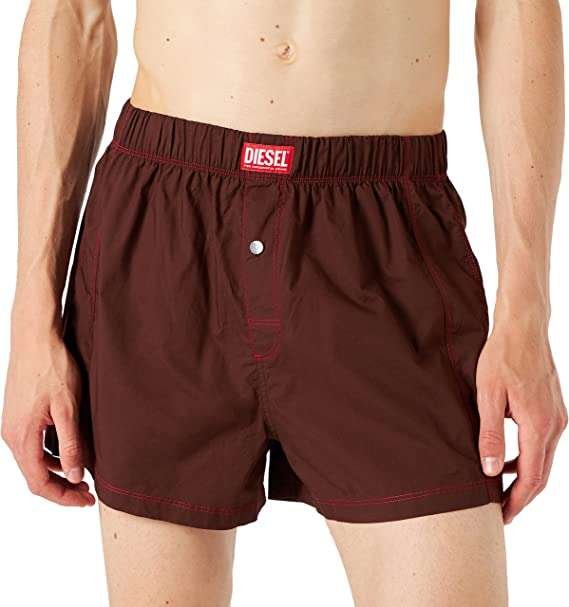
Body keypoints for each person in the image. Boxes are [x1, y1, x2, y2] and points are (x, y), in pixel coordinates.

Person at [2, 1, 567, 605]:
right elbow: (73, 15)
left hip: (381, 234)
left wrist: (526, 318)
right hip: (168, 228)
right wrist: (32, 323)